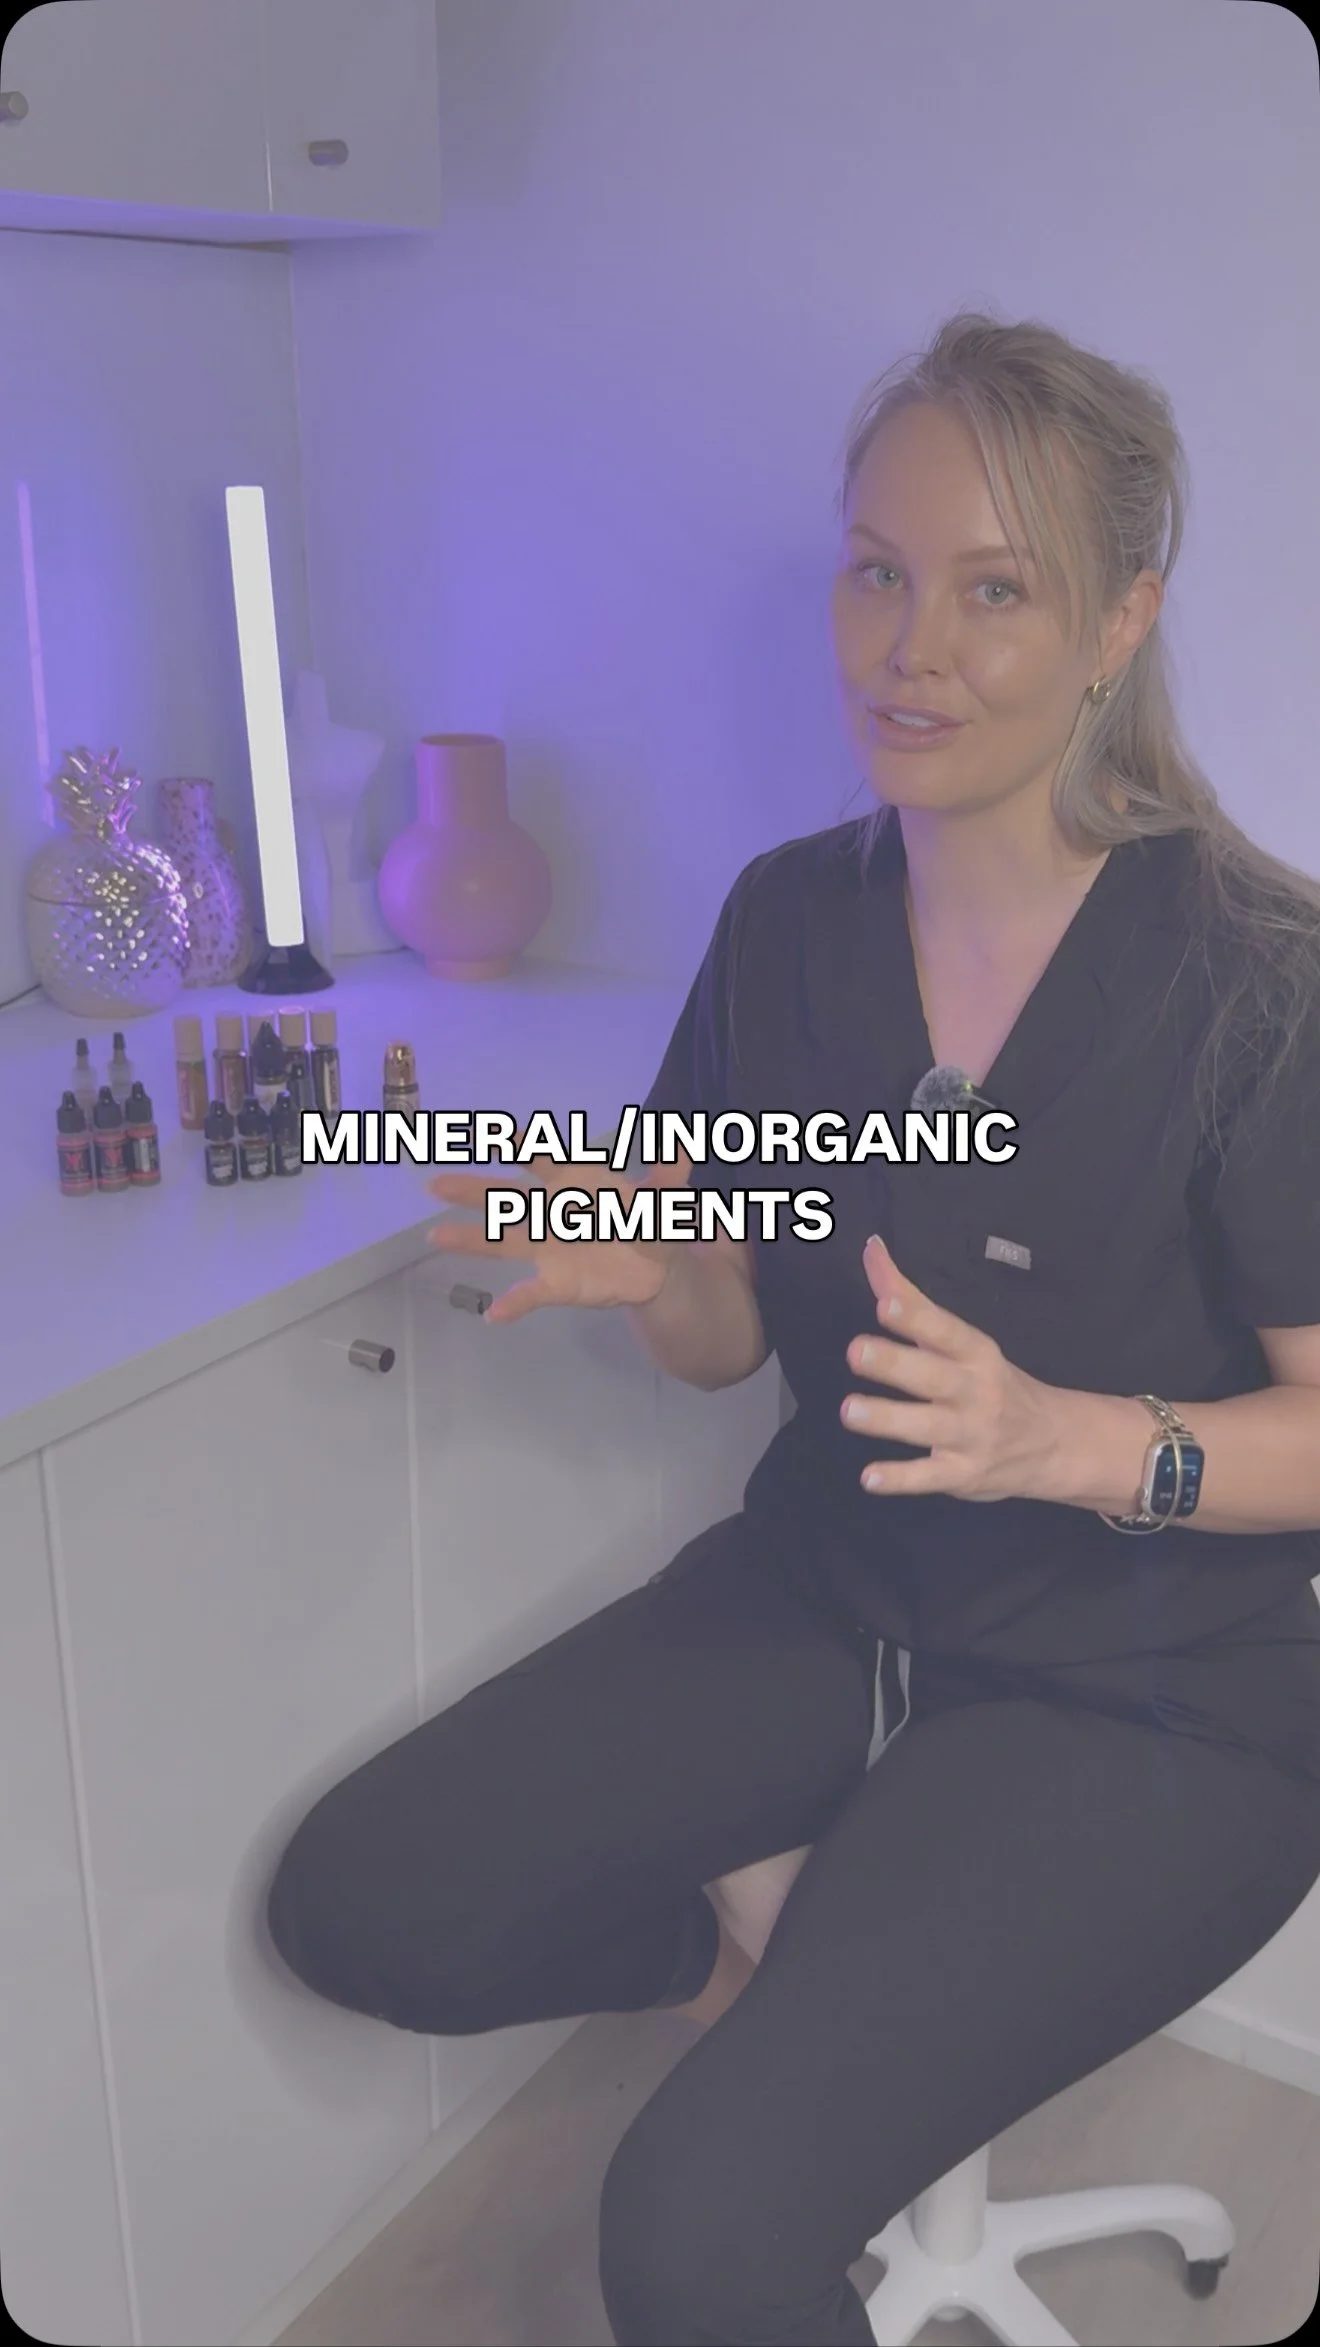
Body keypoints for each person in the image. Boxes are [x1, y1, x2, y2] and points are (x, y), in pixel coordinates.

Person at [265, 311, 1320, 2347]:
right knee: (370, 1901)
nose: (911, 647)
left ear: (1119, 623)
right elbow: (730, 1330)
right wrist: (666, 1272)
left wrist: (1073, 1440)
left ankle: (803, 2058)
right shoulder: (787, 925)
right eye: (876, 572)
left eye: (996, 590)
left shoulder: (1262, 984)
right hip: (836, 1599)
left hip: (1157, 1689)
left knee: (694, 2239)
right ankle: (751, 1984)